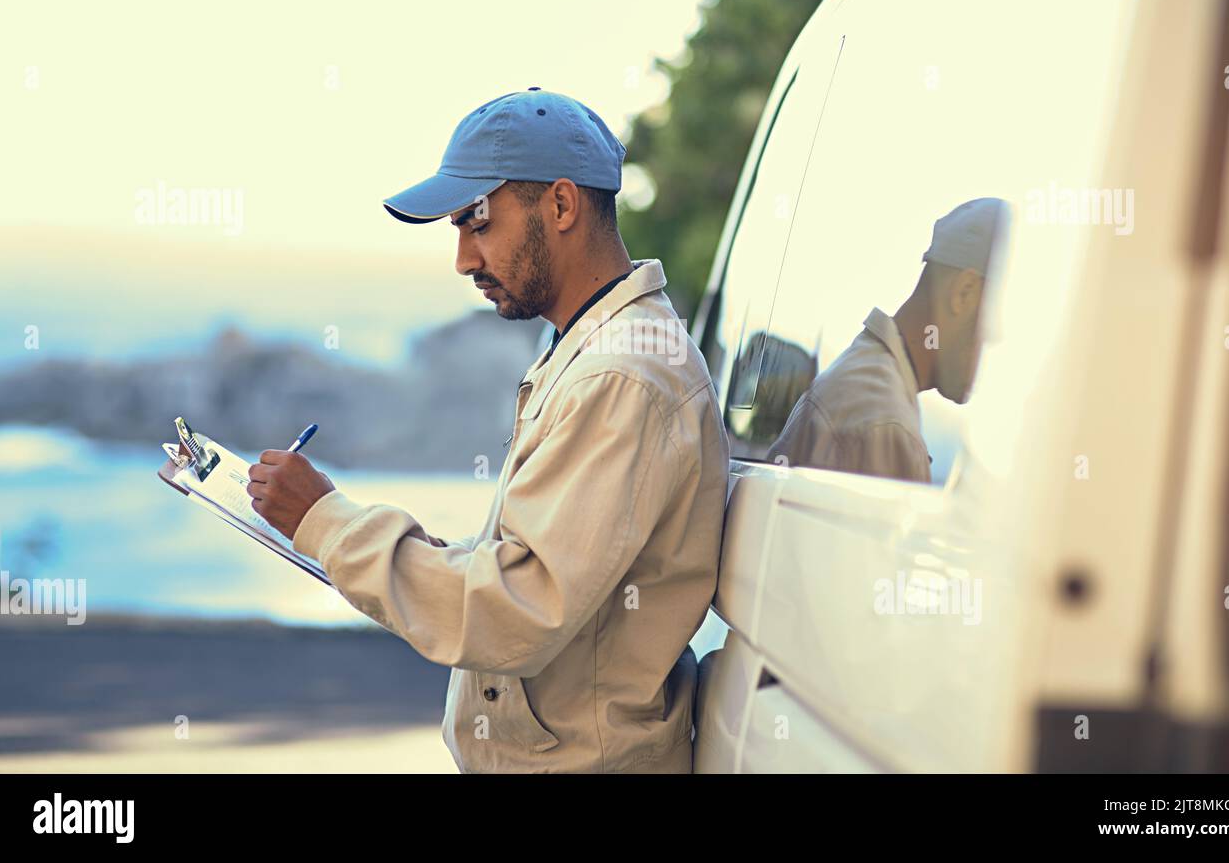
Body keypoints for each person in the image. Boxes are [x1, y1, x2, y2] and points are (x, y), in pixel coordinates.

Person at [244, 89, 730, 773]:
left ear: (561, 205)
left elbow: (519, 609)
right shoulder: (595, 350)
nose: (464, 259)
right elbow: (531, 571)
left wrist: (327, 523)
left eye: (477, 222)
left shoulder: (621, 374)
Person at [767, 197, 1009, 482]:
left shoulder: (869, 380)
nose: (997, 339)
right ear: (964, 293)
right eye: (997, 319)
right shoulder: (886, 425)